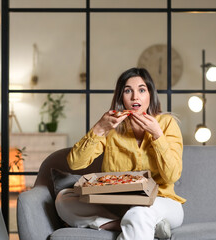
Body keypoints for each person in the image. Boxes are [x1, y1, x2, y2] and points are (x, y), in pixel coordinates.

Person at [55, 67, 186, 240]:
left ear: (150, 95)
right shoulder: (111, 128)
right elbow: (75, 163)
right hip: (117, 204)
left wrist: (157, 135)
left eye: (141, 90)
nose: (135, 97)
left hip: (161, 202)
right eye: (128, 91)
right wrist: (99, 128)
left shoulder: (166, 123)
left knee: (138, 212)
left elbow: (171, 176)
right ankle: (125, 224)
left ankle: (133, 221)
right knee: (64, 198)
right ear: (120, 97)